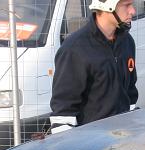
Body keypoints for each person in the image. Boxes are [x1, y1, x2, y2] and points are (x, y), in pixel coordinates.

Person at [49, 0, 138, 134]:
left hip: (123, 137)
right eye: (126, 5)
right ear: (108, 6)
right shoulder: (74, 49)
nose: (133, 11)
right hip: (92, 141)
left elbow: (130, 92)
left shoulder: (127, 42)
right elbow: (63, 114)